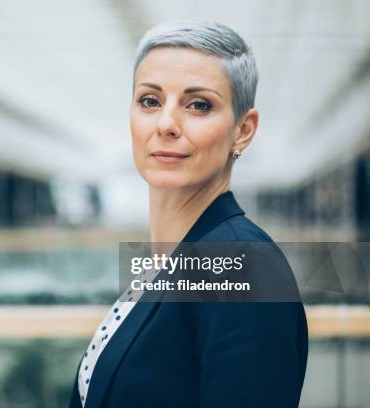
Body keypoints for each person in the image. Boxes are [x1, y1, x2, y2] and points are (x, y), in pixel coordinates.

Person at [68, 19, 308, 408]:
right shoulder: (172, 261)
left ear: (243, 130)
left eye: (199, 105)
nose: (165, 124)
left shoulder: (242, 265)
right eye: (150, 101)